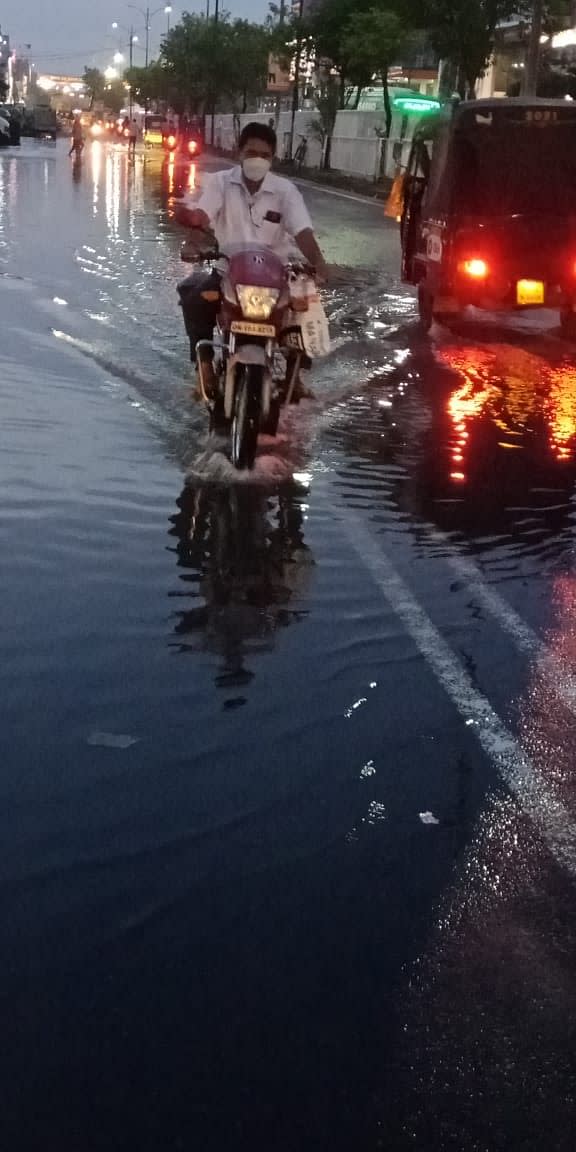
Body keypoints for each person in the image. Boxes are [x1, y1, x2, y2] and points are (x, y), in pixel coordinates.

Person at [179, 121, 328, 392]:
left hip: (277, 278)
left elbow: (302, 230)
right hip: (228, 273)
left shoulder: (286, 191)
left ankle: (295, 377)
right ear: (239, 153)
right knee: (194, 300)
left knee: (304, 310)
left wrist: (318, 263)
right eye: (251, 153)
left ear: (272, 158)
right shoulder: (221, 183)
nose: (257, 160)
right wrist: (192, 229)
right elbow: (203, 214)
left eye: (265, 155)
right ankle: (204, 366)